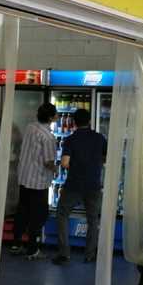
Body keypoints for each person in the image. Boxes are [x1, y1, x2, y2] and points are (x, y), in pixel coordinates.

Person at [53, 107, 107, 264]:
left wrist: (74, 166)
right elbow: (106, 158)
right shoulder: (99, 138)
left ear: (74, 123)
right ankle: (90, 255)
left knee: (62, 214)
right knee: (93, 220)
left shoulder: (70, 139)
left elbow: (64, 163)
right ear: (89, 121)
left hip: (74, 185)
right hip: (93, 185)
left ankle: (64, 254)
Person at [10, 103, 57, 259]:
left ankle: (16, 244)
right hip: (38, 182)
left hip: (24, 177)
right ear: (51, 118)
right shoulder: (48, 137)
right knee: (39, 215)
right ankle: (32, 249)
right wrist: (56, 169)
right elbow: (48, 161)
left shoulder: (30, 127)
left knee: (22, 211)